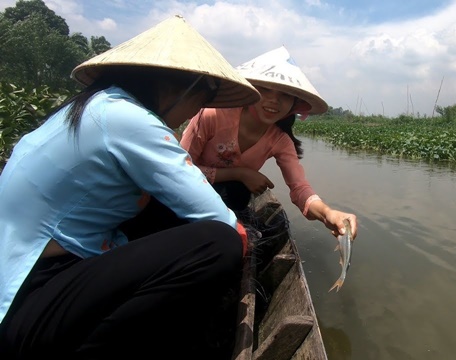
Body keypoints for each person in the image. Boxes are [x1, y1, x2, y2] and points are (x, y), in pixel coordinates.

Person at [0, 15, 261, 359]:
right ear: (175, 88)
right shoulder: (131, 120)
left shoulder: (93, 106)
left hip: (27, 271)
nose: (191, 113)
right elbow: (222, 223)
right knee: (218, 243)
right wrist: (246, 238)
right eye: (199, 98)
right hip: (25, 300)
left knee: (166, 210)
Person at [180, 46, 358, 240]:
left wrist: (327, 214)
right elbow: (178, 170)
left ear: (294, 103)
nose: (274, 101)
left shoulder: (279, 140)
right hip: (186, 194)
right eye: (264, 90)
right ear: (250, 91)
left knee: (238, 192)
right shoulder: (212, 115)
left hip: (228, 200)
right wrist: (240, 173)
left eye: (284, 94)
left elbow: (299, 188)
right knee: (237, 187)